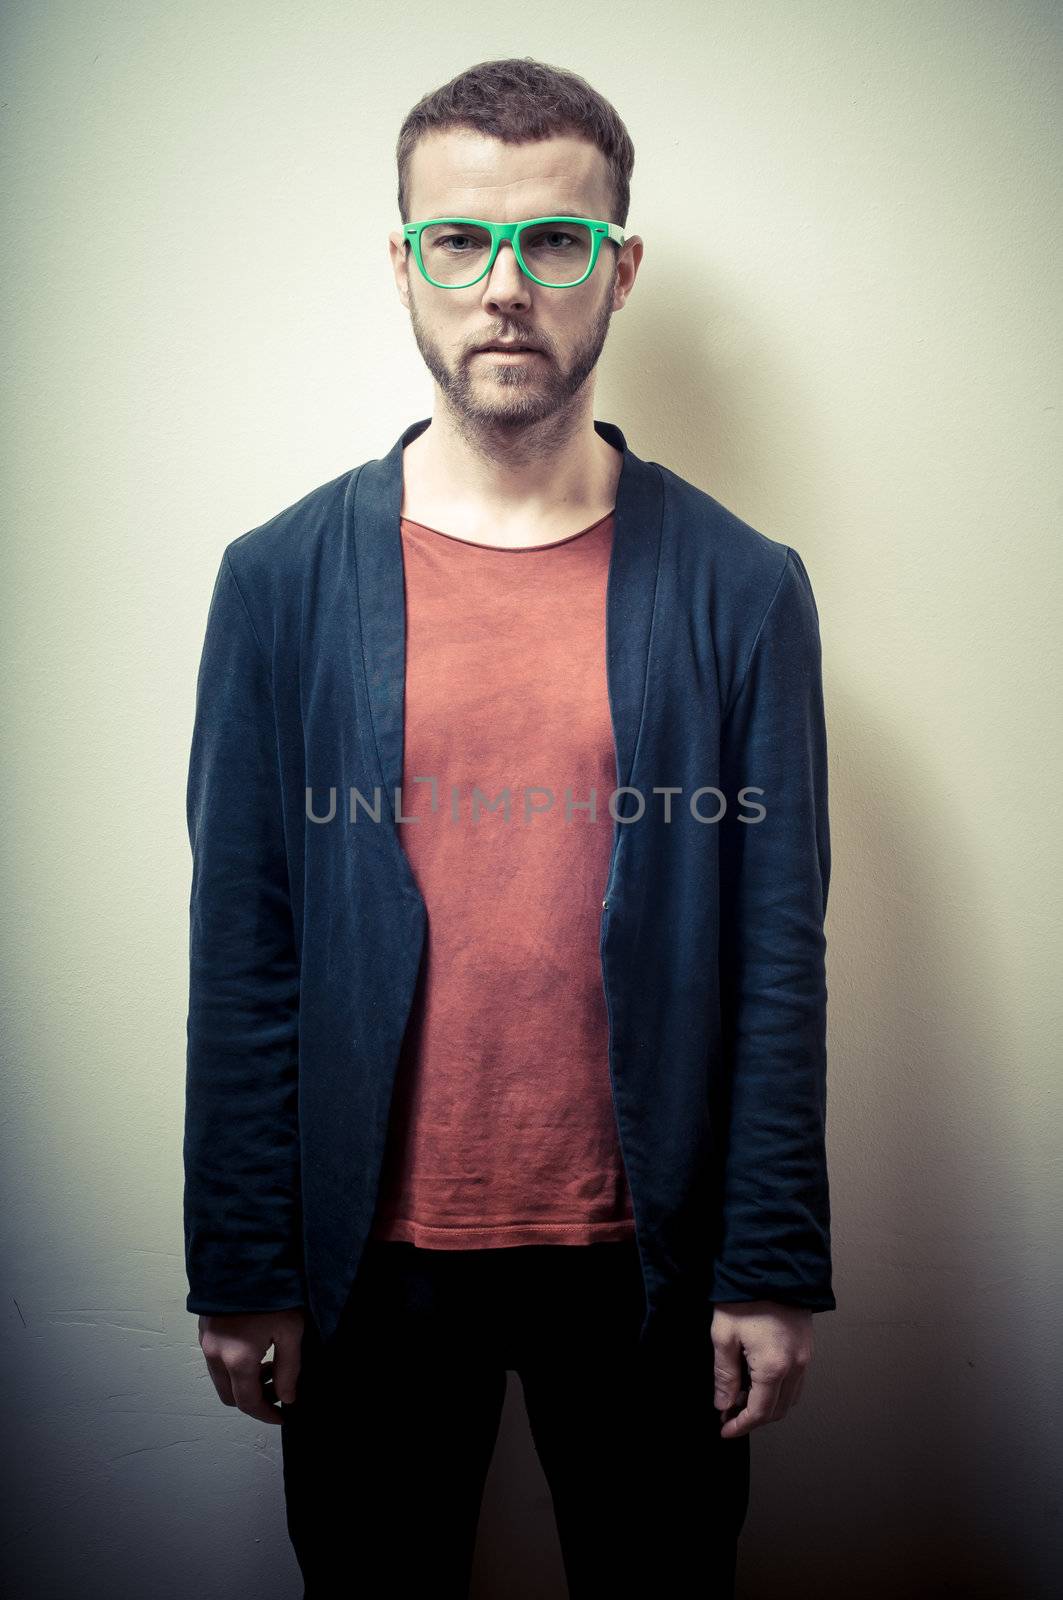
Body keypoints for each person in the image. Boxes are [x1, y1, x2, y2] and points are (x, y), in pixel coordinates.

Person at [183, 56, 836, 1599]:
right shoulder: (279, 582)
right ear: (402, 262)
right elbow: (246, 941)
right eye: (457, 241)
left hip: (648, 1263)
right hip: (368, 1265)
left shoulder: (744, 589)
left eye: (551, 242)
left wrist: (772, 1261)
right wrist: (243, 1261)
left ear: (618, 269)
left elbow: (775, 955)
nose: (503, 287)